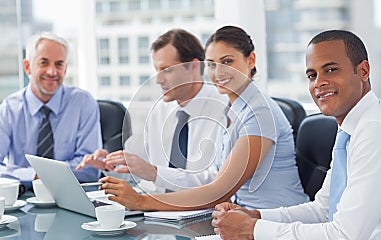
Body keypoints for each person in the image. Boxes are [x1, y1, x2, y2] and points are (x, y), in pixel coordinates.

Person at [211, 30, 381, 240]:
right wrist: (257, 216)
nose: (319, 82)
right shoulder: (350, 130)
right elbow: (323, 209)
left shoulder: (377, 132)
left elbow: (343, 239)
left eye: (331, 70)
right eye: (312, 75)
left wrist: (253, 229)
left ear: (363, 71)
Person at [94, 25, 308, 211]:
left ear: (250, 59)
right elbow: (216, 182)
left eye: (227, 61)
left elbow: (218, 191)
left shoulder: (259, 112)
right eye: (213, 64)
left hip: (278, 228)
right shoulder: (231, 109)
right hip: (243, 219)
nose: (218, 72)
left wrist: (141, 202)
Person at [77, 29, 227, 192]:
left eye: (166, 70)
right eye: (157, 71)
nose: (158, 80)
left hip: (203, 211)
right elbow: (138, 169)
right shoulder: (159, 110)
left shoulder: (224, 110)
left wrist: (155, 173)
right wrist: (110, 164)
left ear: (193, 67)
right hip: (156, 208)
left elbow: (217, 181)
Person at [0, 32, 102, 189]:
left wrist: (26, 173)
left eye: (59, 64)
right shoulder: (9, 108)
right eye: (44, 63)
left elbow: (90, 169)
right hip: (23, 199)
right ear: (27, 67)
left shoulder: (83, 103)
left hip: (72, 196)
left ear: (66, 69)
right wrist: (34, 176)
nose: (52, 72)